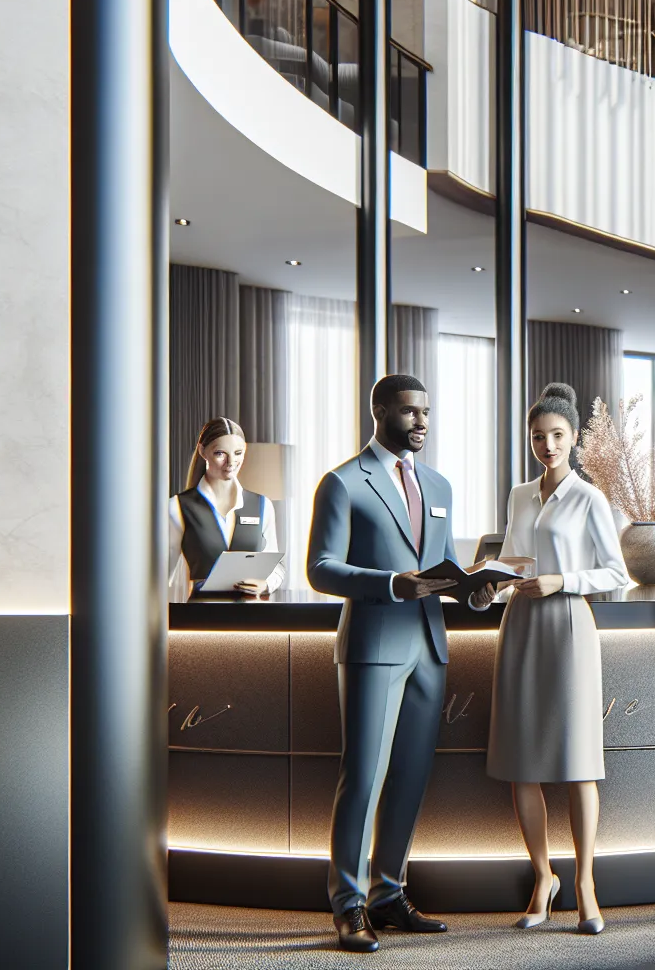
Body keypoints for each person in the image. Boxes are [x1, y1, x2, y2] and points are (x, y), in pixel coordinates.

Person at [308, 374, 481, 952]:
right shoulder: (341, 483)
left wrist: (471, 589)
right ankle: (348, 904)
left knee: (408, 777)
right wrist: (389, 583)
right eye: (410, 412)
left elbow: (445, 561)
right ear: (379, 411)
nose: (422, 422)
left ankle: (388, 892)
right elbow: (321, 568)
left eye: (427, 412)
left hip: (429, 645)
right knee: (363, 777)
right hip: (375, 646)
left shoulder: (438, 485)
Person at [483, 383, 629, 934]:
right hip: (519, 625)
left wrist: (562, 580)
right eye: (538, 437)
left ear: (573, 440)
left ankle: (586, 882)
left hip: (569, 626)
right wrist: (489, 582)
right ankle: (542, 876)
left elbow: (617, 573)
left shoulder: (590, 497)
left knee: (578, 762)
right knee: (523, 760)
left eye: (557, 436)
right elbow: (509, 558)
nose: (547, 445)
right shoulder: (521, 494)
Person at [167, 416, 285, 599]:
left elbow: (276, 566)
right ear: (202, 451)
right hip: (199, 619)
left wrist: (266, 584)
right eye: (220, 453)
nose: (231, 463)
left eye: (238, 453)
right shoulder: (177, 507)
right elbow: (160, 574)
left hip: (253, 619)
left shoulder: (263, 505)